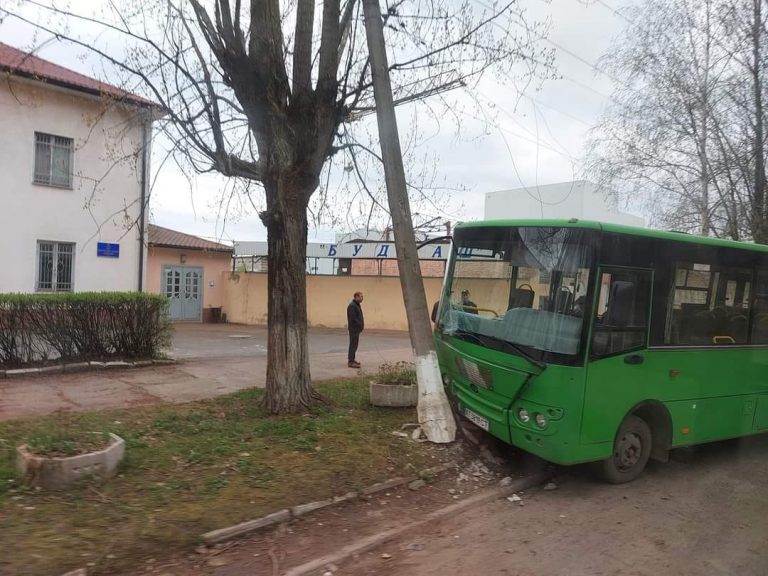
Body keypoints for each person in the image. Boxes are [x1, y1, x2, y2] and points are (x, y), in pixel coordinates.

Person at [347, 291, 364, 368]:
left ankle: (353, 360)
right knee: (353, 345)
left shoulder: (357, 305)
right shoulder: (352, 306)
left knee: (355, 345)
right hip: (353, 329)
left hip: (356, 329)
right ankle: (351, 362)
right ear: (356, 297)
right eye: (360, 296)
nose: (362, 298)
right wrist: (359, 324)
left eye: (362, 297)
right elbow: (353, 318)